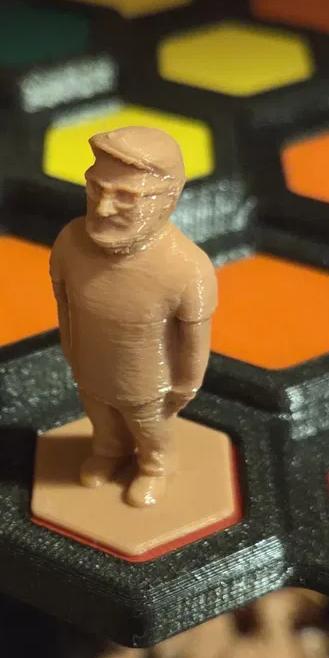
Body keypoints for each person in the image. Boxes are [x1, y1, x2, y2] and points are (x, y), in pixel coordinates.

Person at [48, 126, 218, 507]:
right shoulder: (69, 243)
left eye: (126, 197)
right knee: (101, 418)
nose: (103, 208)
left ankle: (156, 467)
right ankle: (109, 452)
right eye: (96, 189)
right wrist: (70, 349)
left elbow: (194, 339)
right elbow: (63, 302)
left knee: (150, 430)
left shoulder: (187, 269)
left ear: (168, 199)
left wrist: (187, 384)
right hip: (90, 366)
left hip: (149, 382)